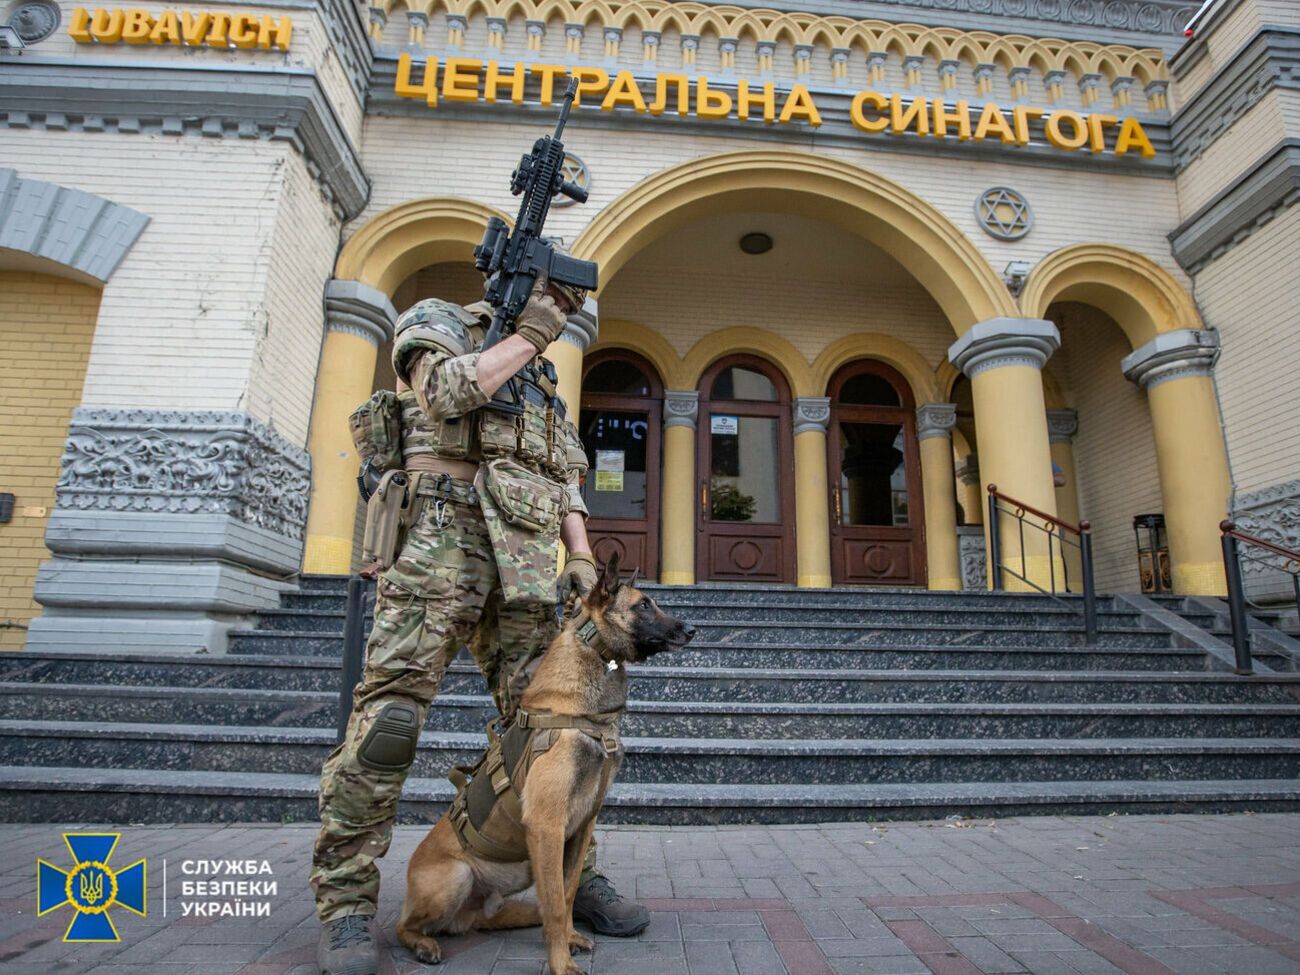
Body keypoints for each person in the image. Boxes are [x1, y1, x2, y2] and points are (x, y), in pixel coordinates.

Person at [312, 276, 649, 975]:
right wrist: (529, 335)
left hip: (525, 566)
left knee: (558, 734)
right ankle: (345, 902)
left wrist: (581, 554)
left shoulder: (543, 377)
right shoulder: (438, 321)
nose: (557, 304)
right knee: (387, 726)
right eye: (547, 289)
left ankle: (574, 880)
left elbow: (563, 473)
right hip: (437, 548)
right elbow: (442, 394)